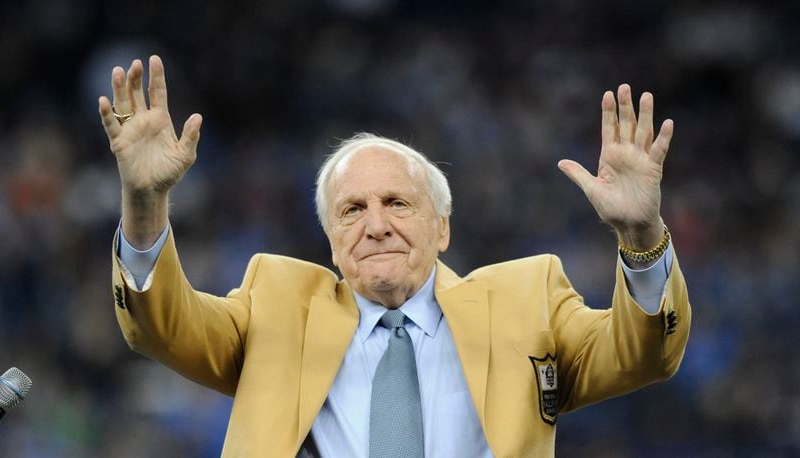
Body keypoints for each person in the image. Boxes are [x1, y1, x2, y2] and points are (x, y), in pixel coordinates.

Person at [99, 55, 690, 457]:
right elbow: (160, 325)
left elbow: (643, 353)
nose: (376, 225)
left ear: (442, 228)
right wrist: (144, 203)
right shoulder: (274, 300)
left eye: (398, 204)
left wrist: (641, 235)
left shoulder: (528, 298)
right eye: (352, 211)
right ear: (331, 239)